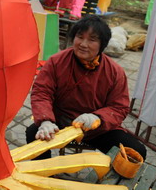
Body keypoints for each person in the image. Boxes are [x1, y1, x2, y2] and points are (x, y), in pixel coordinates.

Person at [26, 16, 147, 160]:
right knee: (33, 133)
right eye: (80, 37)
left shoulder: (115, 72)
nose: (83, 44)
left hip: (96, 129)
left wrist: (97, 117)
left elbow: (119, 107)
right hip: (60, 124)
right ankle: (44, 177)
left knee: (137, 151)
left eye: (92, 39)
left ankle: (109, 179)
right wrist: (46, 120)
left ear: (102, 45)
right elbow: (41, 92)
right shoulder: (56, 62)